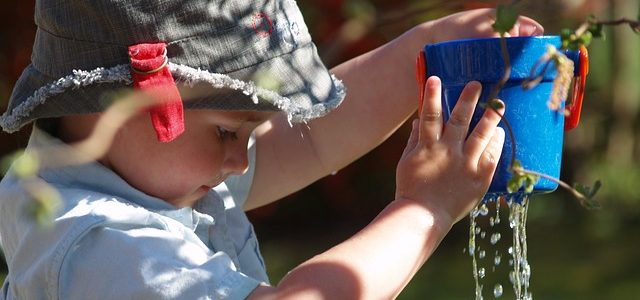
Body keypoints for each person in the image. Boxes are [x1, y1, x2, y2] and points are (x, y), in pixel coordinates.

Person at [0, 0, 543, 299]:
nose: (241, 159)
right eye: (227, 132)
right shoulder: (101, 248)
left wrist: (420, 54)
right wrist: (426, 209)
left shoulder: (141, 179)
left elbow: (316, 141)